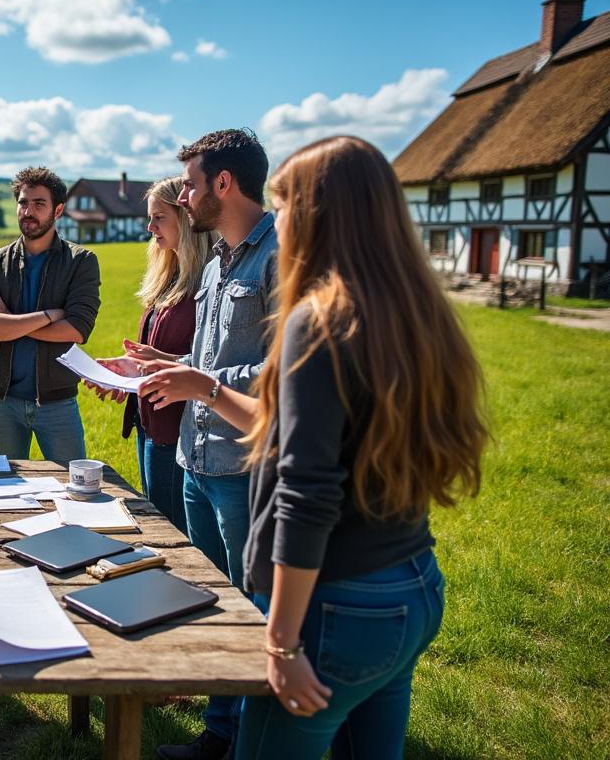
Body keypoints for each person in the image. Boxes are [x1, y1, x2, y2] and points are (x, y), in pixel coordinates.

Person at [141, 136, 486, 759]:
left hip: (336, 605)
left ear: (319, 213)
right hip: (410, 583)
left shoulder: (319, 319)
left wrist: (280, 644)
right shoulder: (413, 313)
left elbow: (305, 492)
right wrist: (209, 388)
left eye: (286, 205)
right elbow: (282, 424)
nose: (279, 221)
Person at [146, 128, 279, 760]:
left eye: (193, 184)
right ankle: (219, 732)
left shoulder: (281, 258)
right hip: (195, 459)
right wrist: (158, 368)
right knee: (215, 599)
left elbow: (290, 375)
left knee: (254, 606)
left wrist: (201, 382)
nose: (185, 195)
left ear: (223, 183)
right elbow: (203, 356)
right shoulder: (220, 258)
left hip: (242, 464)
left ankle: (245, 741)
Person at [90, 176, 216, 531]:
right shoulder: (169, 275)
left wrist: (158, 363)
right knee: (158, 522)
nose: (149, 227)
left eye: (158, 217)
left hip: (179, 430)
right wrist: (128, 371)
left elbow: (210, 361)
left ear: (186, 219)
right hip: (148, 423)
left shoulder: (207, 281)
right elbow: (155, 355)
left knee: (174, 530)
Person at [0, 166, 101, 465]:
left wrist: (12, 322)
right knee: (7, 487)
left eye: (39, 204)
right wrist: (48, 315)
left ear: (58, 210)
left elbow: (77, 329)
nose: (28, 211)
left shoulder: (81, 262)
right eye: (23, 203)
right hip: (2, 400)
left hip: (57, 401)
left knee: (73, 485)